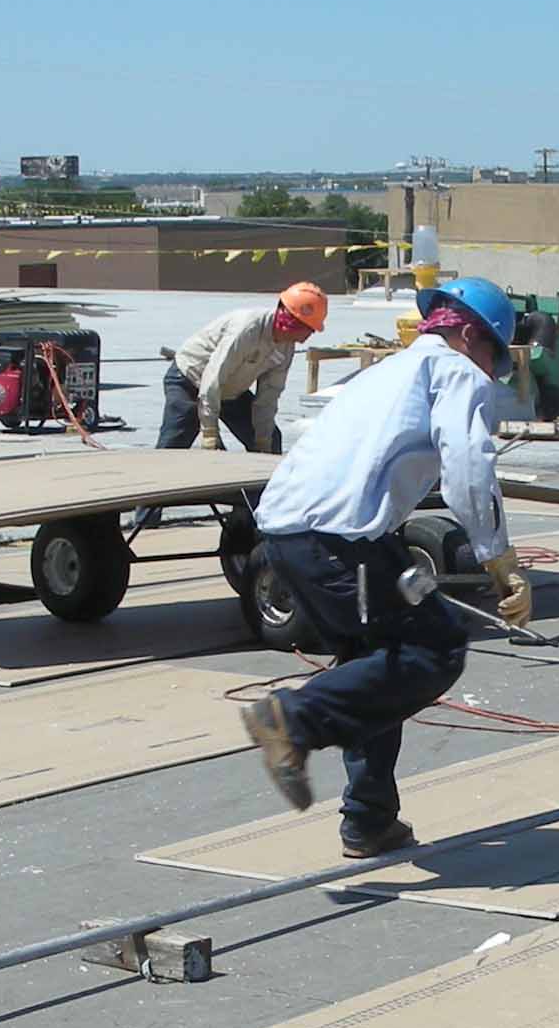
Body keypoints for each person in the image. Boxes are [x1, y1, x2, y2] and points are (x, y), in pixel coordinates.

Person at [238, 276, 531, 858]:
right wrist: (500, 560)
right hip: (340, 537)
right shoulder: (457, 372)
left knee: (377, 666)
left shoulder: (379, 374)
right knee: (435, 648)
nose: (493, 374)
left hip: (286, 534)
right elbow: (468, 465)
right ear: (471, 336)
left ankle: (369, 819)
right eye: (495, 357)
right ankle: (292, 719)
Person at [162, 283, 328, 456]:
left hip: (229, 390)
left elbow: (269, 396)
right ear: (289, 322)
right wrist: (210, 433)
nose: (309, 336)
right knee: (176, 441)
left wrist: (263, 441)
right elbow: (213, 378)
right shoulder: (247, 329)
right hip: (189, 379)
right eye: (309, 329)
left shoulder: (285, 348)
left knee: (272, 439)